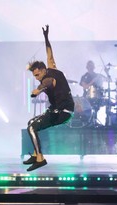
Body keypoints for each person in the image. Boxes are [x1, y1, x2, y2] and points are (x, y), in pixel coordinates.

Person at [24, 25, 75, 172]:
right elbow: (49, 53)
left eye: (37, 75)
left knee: (32, 127)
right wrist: (46, 37)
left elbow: (46, 83)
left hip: (63, 112)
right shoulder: (52, 67)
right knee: (31, 123)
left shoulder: (48, 78)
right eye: (34, 76)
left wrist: (37, 91)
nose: (37, 78)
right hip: (57, 110)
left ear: (43, 71)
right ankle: (35, 154)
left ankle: (40, 159)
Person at [79, 60, 108, 126]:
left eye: (92, 66)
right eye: (89, 66)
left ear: (94, 67)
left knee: (106, 103)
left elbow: (109, 80)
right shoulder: (84, 76)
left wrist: (107, 72)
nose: (91, 67)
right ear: (87, 67)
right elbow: (85, 87)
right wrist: (92, 81)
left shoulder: (98, 75)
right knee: (89, 108)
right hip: (87, 97)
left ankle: (95, 120)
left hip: (98, 96)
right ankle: (89, 121)